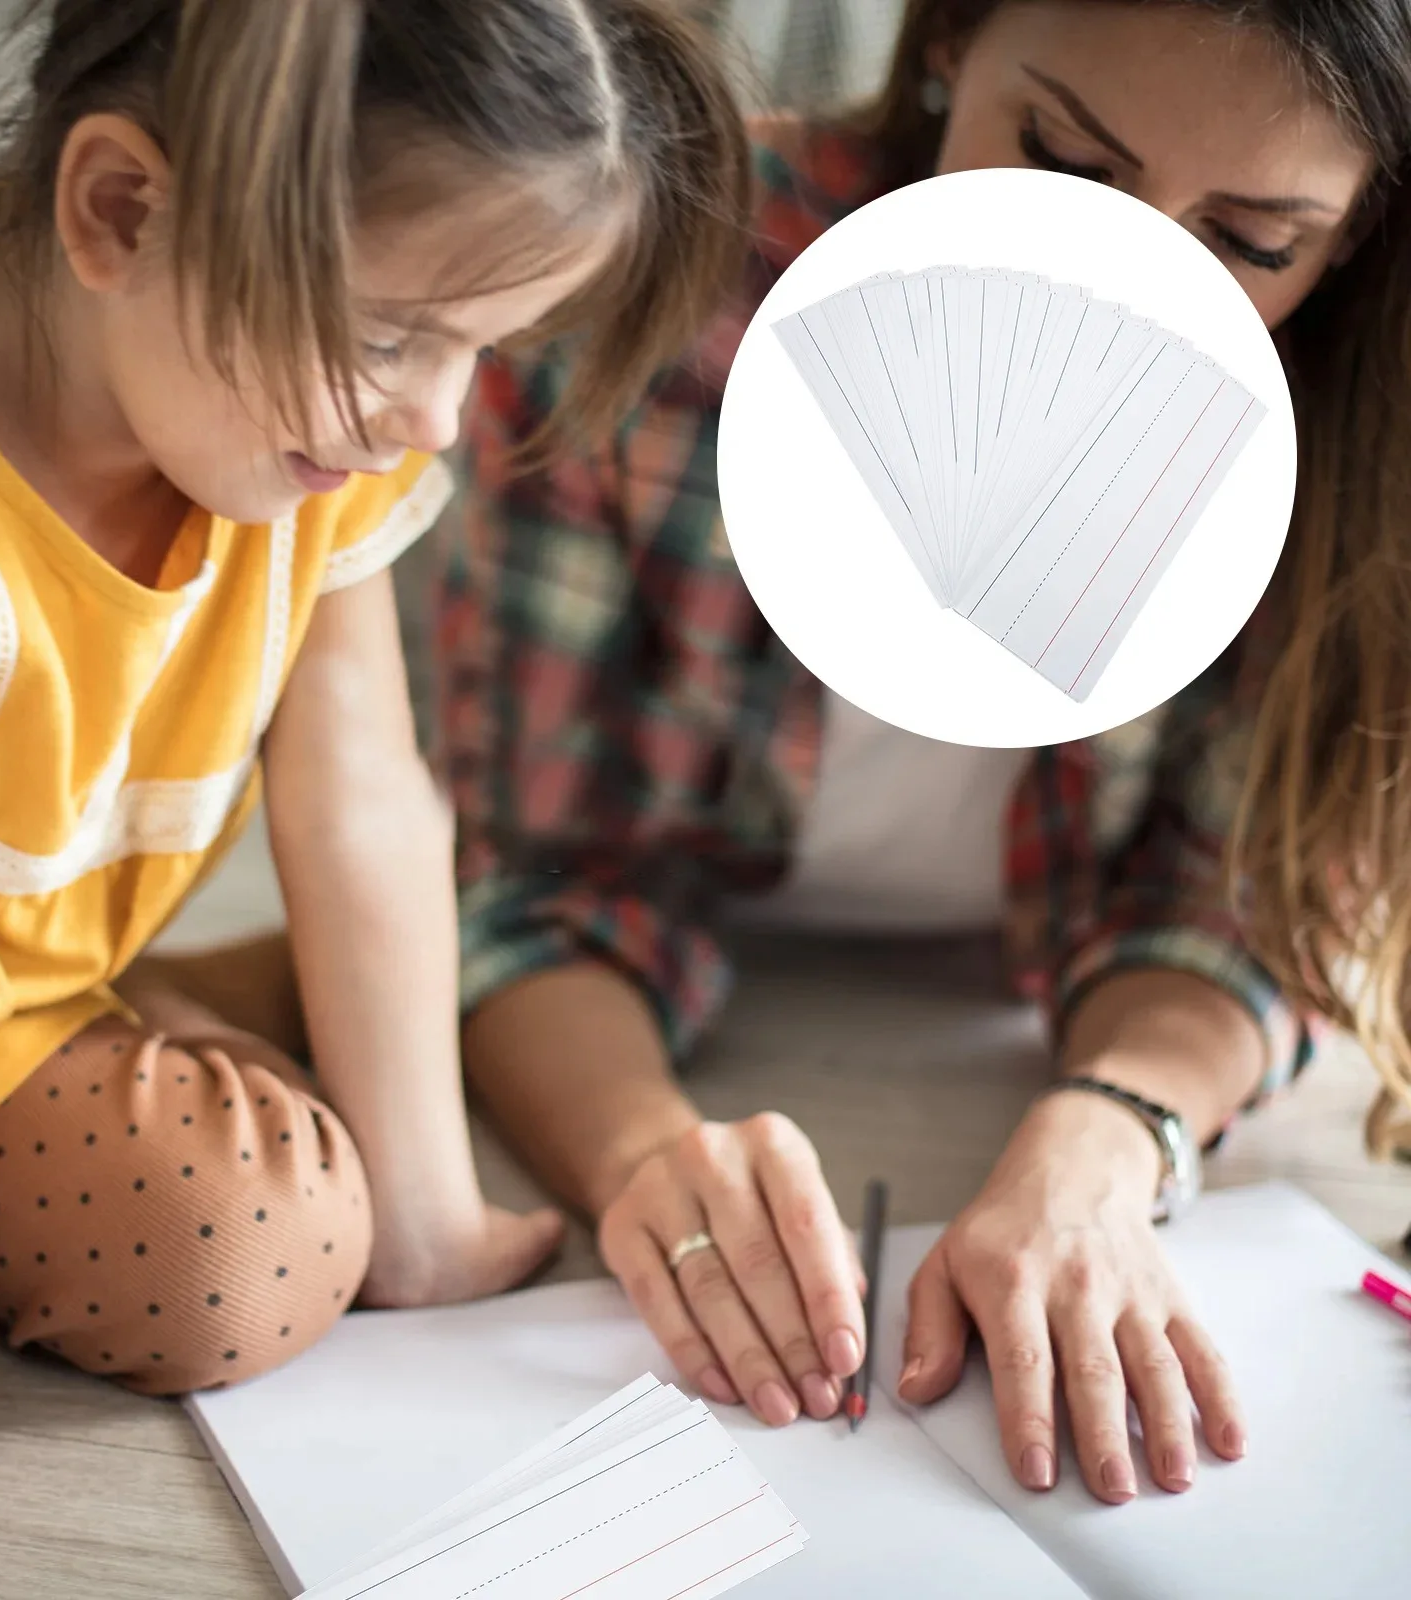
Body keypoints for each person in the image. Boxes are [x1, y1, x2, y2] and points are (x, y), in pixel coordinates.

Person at [428, 0, 1411, 1509]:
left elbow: (1244, 907)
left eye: (1252, 242)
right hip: (699, 1044)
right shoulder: (650, 277)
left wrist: (1104, 1143)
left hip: (963, 1059)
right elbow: (534, 879)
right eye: (1066, 164)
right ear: (946, 41)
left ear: (1348, 246)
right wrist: (640, 1155)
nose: (1115, 293)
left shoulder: (1355, 437)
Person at [0, 0, 751, 1516]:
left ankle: (142, 1053)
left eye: (480, 352)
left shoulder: (292, 462)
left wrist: (428, 1228)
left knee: (263, 1251)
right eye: (390, 338)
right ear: (121, 209)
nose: (431, 421)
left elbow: (364, 800)